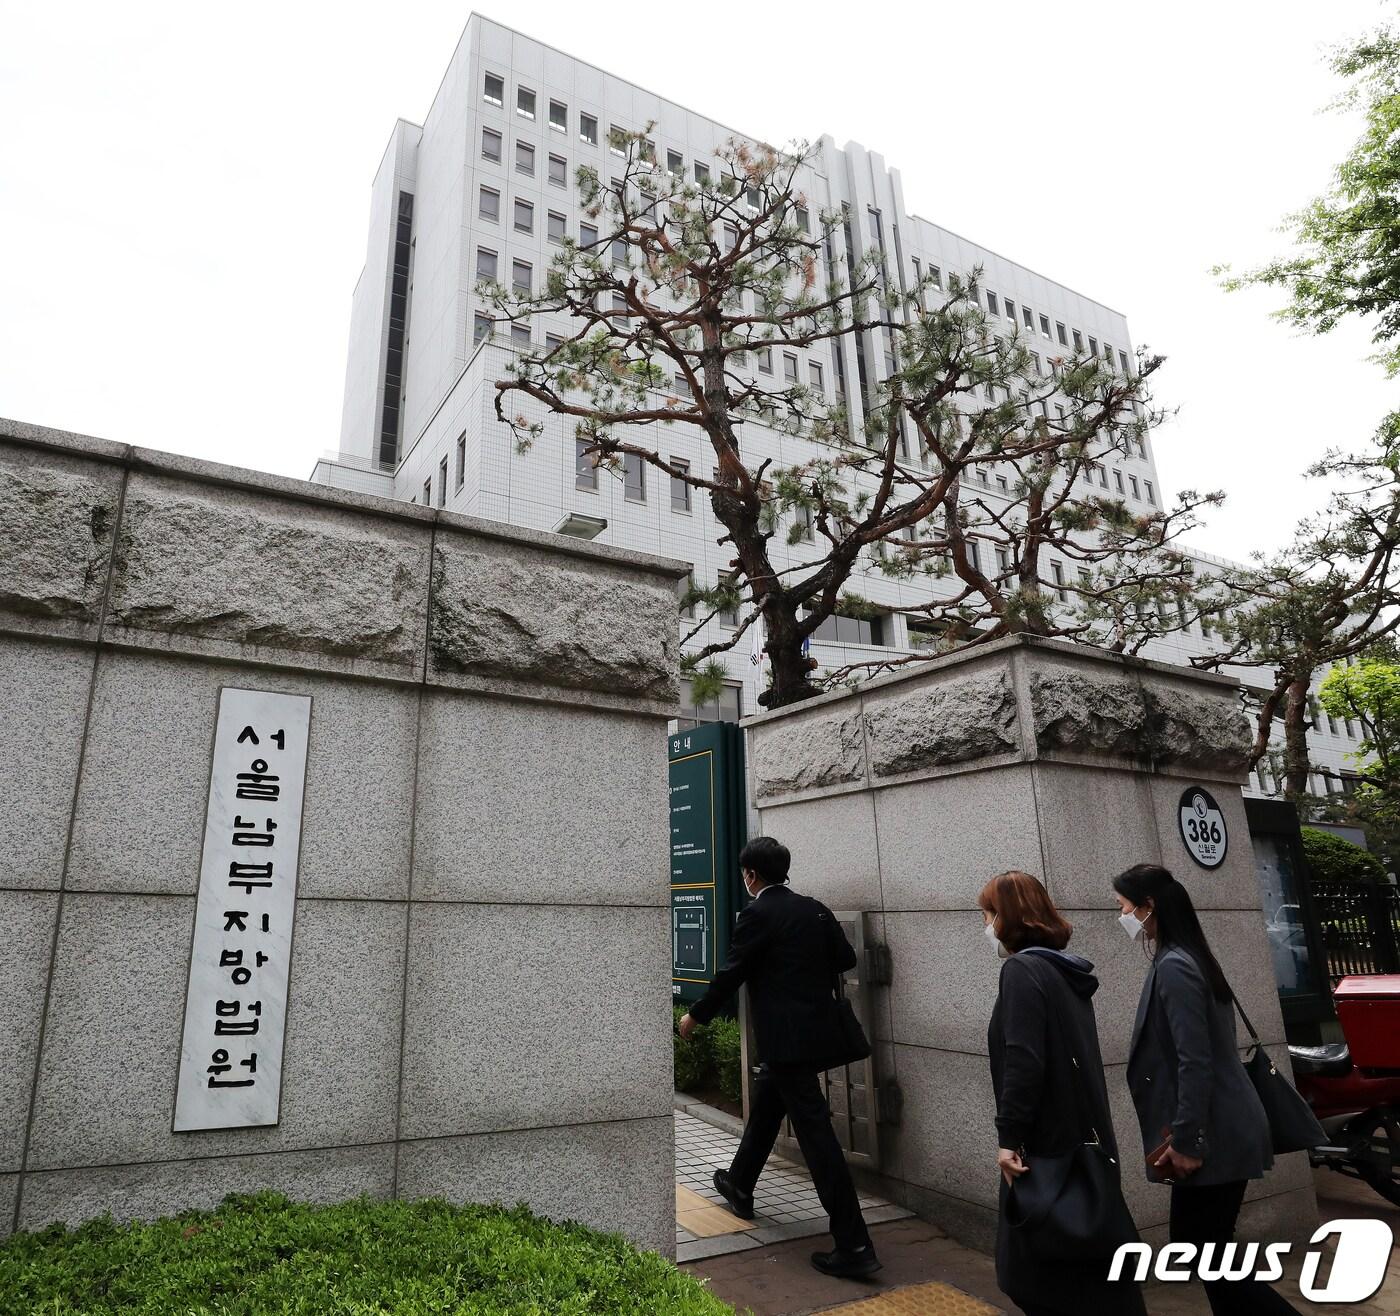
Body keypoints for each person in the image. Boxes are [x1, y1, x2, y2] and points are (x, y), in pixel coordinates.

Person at [678, 835, 879, 1278]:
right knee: (770, 1103)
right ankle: (739, 1184)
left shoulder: (757, 914)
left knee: (818, 1140)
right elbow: (844, 958)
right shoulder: (815, 908)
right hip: (815, 1037)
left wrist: (696, 1015)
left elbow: (732, 973)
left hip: (786, 1042)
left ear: (750, 875)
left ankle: (855, 1245)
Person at [1115, 862, 1300, 1316]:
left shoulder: (1175, 965)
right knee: (1209, 1254)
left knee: (1204, 1254)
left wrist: (1187, 1140)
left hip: (1216, 1130)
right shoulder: (1187, 956)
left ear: (1148, 906)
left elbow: (1194, 1061)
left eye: (1123, 905)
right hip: (1222, 1124)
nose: (1121, 915)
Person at [982, 870, 1146, 1316]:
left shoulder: (1021, 970)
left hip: (1044, 1146)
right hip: (1080, 1139)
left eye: (989, 914)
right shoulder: (1063, 970)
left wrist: (1008, 1137)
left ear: (1008, 917)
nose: (987, 926)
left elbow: (1024, 1060)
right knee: (1085, 1278)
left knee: (1034, 1275)